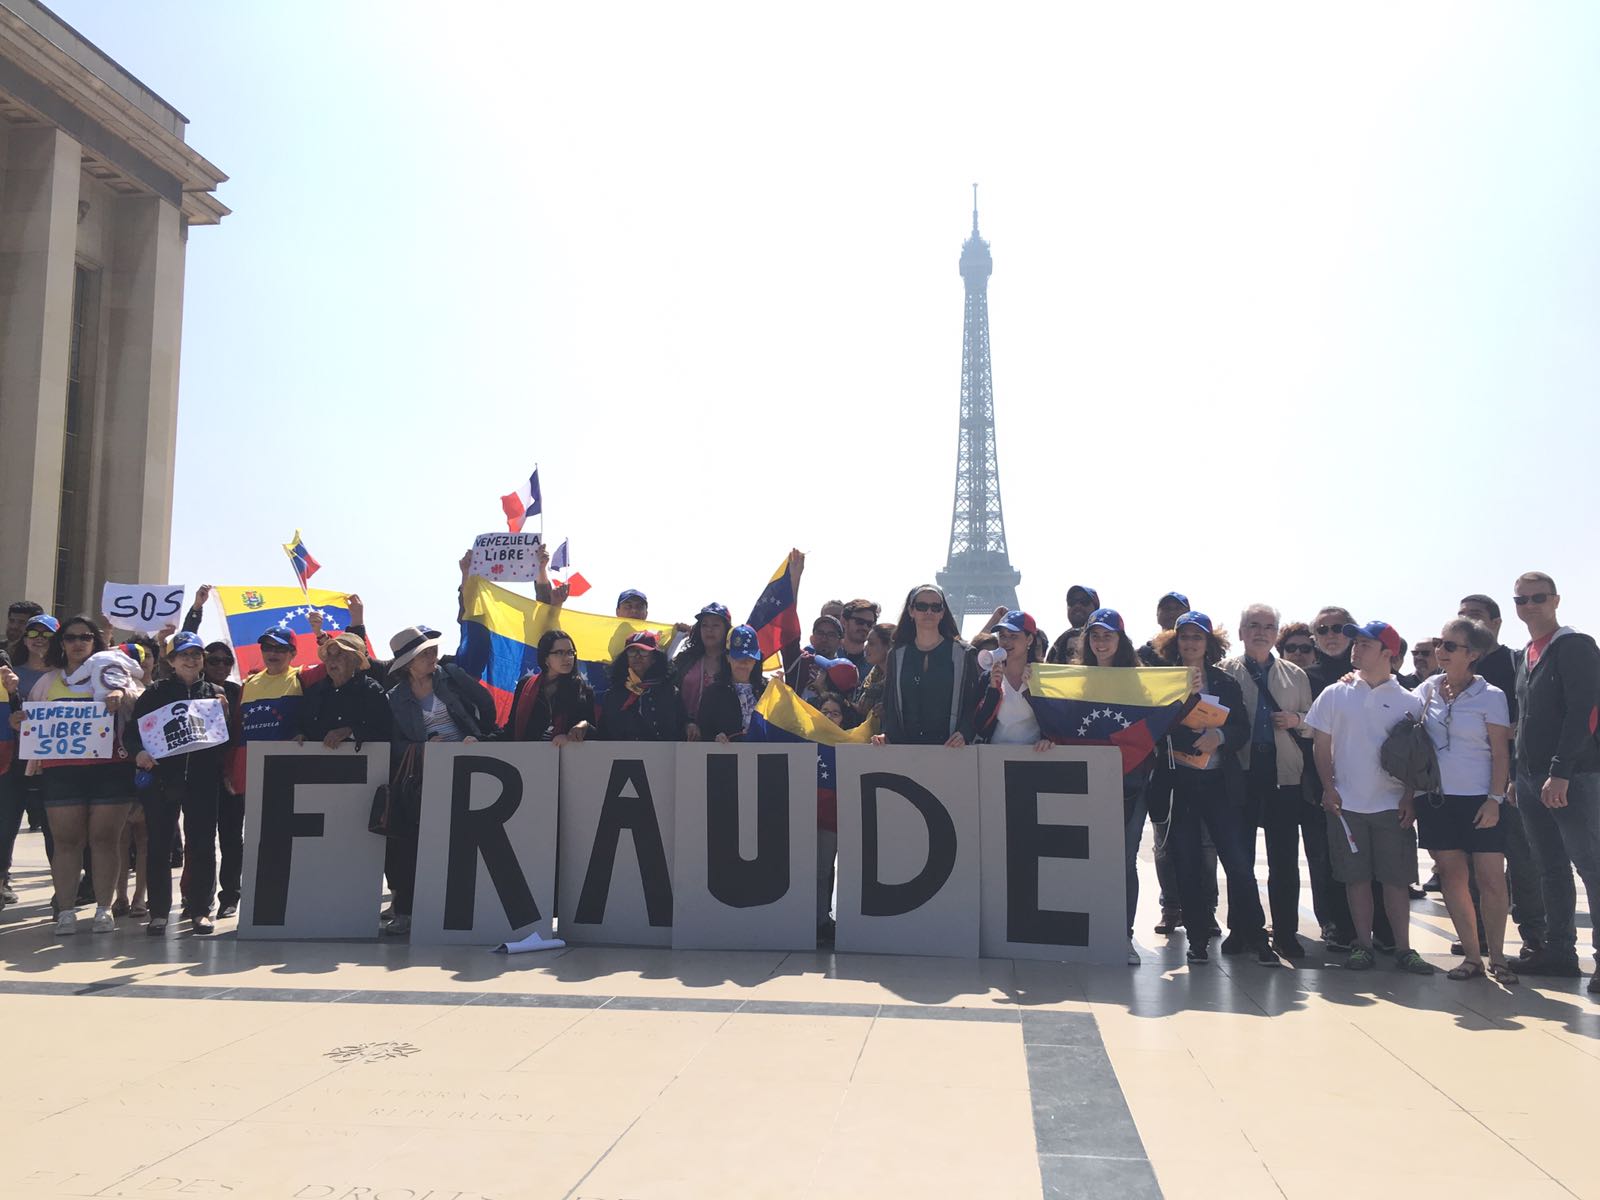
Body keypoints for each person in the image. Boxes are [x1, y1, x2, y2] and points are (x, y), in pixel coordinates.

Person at [1305, 620, 1432, 974]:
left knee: (1395, 880)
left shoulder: (1410, 699)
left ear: (1388, 654)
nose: (1355, 649)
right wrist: (1329, 789)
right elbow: (1321, 745)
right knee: (1355, 879)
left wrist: (1410, 797)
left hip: (1392, 806)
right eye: (1355, 643)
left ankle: (1404, 948)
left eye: (1365, 644)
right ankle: (1362, 945)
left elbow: (1416, 754)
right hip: (1347, 805)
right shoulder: (1335, 693)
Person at [1153, 613, 1275, 965]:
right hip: (1180, 784)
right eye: (1184, 637)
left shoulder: (1224, 681)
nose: (1190, 643)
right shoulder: (1163, 681)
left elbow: (1241, 729)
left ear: (1209, 643)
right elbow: (1154, 728)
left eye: (1197, 637)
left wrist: (1219, 737)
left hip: (1219, 783)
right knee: (1187, 863)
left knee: (1237, 863)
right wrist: (1184, 701)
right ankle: (1197, 937)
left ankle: (1256, 934)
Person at [1507, 572, 1600, 992]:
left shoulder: (1574, 646)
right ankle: (1560, 952)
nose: (1530, 606)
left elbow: (1587, 710)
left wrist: (1561, 770)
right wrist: (1516, 774)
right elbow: (1524, 720)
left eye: (1538, 598)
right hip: (1529, 779)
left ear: (1556, 599)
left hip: (1573, 777)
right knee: (1549, 868)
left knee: (1591, 867)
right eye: (1521, 600)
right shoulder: (1526, 653)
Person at [1412, 618, 1516, 983]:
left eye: (1451, 646)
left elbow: (1501, 753)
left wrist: (1494, 799)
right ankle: (1472, 957)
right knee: (1453, 880)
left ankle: (1499, 957)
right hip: (1436, 800)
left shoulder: (1491, 695)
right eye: (1440, 643)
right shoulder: (1425, 690)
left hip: (1479, 799)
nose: (1441, 651)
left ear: (1473, 654)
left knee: (1490, 879)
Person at [1221, 604, 1324, 959]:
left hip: (1284, 774)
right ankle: (1242, 929)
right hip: (1242, 772)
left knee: (1284, 859)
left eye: (1268, 626)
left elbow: (1315, 723)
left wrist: (1296, 718)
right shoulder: (1225, 673)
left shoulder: (1296, 675)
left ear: (1276, 633)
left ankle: (1285, 932)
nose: (1261, 632)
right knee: (1239, 858)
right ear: (1241, 632)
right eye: (1253, 625)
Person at [383, 625, 497, 935]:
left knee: (467, 836)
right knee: (415, 843)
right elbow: (393, 744)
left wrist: (477, 736)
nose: (434, 655)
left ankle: (471, 904)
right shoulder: (394, 698)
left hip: (468, 767)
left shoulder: (452, 675)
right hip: (425, 776)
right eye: (425, 653)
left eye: (433, 650)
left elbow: (486, 704)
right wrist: (422, 749)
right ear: (408, 662)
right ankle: (407, 910)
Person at [28, 616, 139, 934]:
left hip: (110, 769)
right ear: (61, 643)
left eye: (85, 637)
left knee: (105, 840)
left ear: (96, 642)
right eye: (71, 637)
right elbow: (33, 724)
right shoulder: (48, 682)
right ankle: (65, 911)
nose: (78, 643)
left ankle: (104, 909)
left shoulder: (111, 673)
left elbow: (140, 701)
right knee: (66, 842)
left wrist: (124, 697)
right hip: (61, 772)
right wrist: (20, 720)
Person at [1458, 591, 1543, 957]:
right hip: (1470, 786)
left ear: (1496, 622)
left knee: (1524, 862)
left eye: (1476, 616)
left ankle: (1536, 939)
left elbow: (1536, 712)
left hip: (1513, 783)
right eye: (1463, 616)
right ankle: (1476, 935)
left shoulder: (1516, 661)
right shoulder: (1458, 668)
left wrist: (1511, 730)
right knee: (1474, 866)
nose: (1470, 621)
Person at [127, 633, 228, 935]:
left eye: (197, 654)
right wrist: (139, 753)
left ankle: (200, 910)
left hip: (203, 780)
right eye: (184, 654)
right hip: (163, 779)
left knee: (202, 845)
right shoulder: (155, 692)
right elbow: (132, 734)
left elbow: (227, 739)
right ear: (171, 661)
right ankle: (159, 912)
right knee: (159, 845)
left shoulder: (216, 692)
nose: (191, 659)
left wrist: (224, 714)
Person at [1072, 608, 1155, 964]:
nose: (1101, 641)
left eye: (1107, 635)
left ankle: (1123, 934)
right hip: (1086, 779)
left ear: (1121, 640)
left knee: (1123, 859)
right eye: (1095, 635)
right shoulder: (1073, 679)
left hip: (1130, 781)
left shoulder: (1140, 681)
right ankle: (1087, 930)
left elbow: (1165, 718)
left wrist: (1190, 690)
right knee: (1085, 858)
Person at [877, 584, 980, 748]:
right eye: (922, 606)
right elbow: (890, 705)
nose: (929, 612)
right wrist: (886, 735)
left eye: (936, 607)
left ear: (942, 613)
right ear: (911, 611)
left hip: (952, 750)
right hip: (906, 751)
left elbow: (974, 702)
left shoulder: (964, 654)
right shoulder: (896, 655)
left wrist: (964, 733)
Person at [1, 612, 57, 901]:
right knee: (6, 821)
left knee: (53, 827)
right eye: (33, 633)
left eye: (46, 634)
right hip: (14, 760)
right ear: (24, 638)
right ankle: (1, 881)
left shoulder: (67, 674)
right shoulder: (10, 672)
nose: (39, 639)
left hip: (52, 763)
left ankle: (63, 887)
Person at [973, 611, 1052, 750]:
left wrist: (1047, 739)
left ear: (1029, 640)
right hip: (994, 756)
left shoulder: (1044, 676)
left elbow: (1054, 721)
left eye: (1013, 636)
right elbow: (978, 725)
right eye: (1002, 636)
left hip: (1035, 756)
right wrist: (992, 689)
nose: (1006, 642)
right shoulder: (988, 677)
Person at [298, 633, 392, 747]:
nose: (332, 660)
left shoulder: (372, 691)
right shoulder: (314, 692)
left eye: (340, 654)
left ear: (356, 661)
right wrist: (300, 735)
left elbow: (386, 733)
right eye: (329, 655)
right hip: (314, 763)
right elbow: (301, 726)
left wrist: (351, 732)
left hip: (358, 764)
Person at [507, 630, 597, 744]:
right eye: (559, 653)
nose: (567, 658)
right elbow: (510, 730)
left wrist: (584, 727)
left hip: (567, 758)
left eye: (570, 652)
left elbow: (597, 736)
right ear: (545, 658)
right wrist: (480, 740)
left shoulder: (583, 691)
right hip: (527, 757)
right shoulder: (525, 686)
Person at [600, 631, 685, 742]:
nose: (637, 656)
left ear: (654, 658)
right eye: (632, 651)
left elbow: (682, 726)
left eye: (643, 651)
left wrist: (690, 725)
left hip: (662, 757)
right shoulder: (613, 695)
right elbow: (602, 734)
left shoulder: (670, 693)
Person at [674, 603, 733, 742]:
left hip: (722, 741)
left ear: (727, 630)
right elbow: (670, 695)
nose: (709, 630)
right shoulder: (684, 660)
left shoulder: (735, 662)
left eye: (716, 625)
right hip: (684, 737)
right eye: (704, 625)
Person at [709, 626, 766, 742]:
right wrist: (715, 738)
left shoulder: (767, 692)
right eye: (738, 657)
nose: (744, 663)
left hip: (763, 758)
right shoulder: (713, 693)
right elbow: (704, 731)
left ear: (756, 660)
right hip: (726, 758)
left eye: (749, 658)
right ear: (728, 658)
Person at [854, 622, 895, 724]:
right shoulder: (871, 678)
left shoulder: (902, 680)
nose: (865, 648)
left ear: (889, 646)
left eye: (871, 643)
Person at [1046, 585, 1099, 663]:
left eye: (1084, 601)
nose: (1077, 606)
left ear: (1096, 608)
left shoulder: (1108, 639)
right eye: (1072, 602)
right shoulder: (1060, 642)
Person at [1137, 591, 1190, 666]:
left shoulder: (1200, 650)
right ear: (1157, 614)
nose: (1172, 612)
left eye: (1178, 608)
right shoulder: (1144, 653)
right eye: (1166, 608)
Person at [839, 600, 881, 672]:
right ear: (844, 622)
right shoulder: (829, 655)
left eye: (869, 624)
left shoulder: (875, 663)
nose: (865, 627)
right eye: (860, 622)